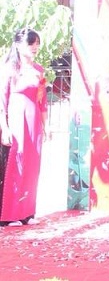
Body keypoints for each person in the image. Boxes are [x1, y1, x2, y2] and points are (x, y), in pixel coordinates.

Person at [0, 28, 47, 226]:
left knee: (32, 166)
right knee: (16, 164)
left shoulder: (39, 70)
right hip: (16, 120)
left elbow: (42, 100)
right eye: (31, 43)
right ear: (19, 45)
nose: (35, 47)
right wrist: (5, 128)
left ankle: (27, 213)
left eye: (37, 43)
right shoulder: (9, 69)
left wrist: (46, 125)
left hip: (34, 122)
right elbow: (2, 101)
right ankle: (9, 215)